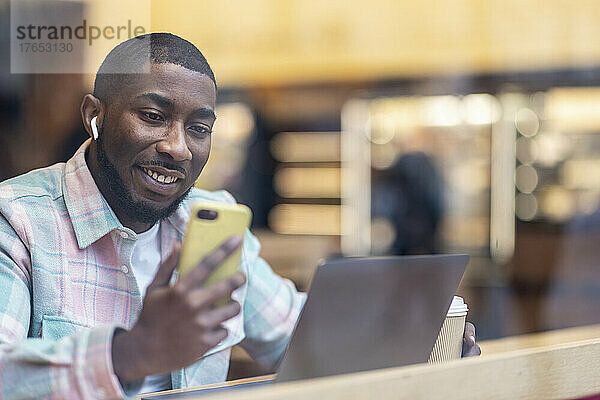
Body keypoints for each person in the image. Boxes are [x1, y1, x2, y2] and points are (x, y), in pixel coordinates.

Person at [0, 33, 479, 399]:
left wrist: (423, 342)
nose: (176, 147)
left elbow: (298, 338)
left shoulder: (212, 224)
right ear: (94, 116)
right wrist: (131, 354)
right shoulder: (18, 220)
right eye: (152, 115)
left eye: (199, 127)